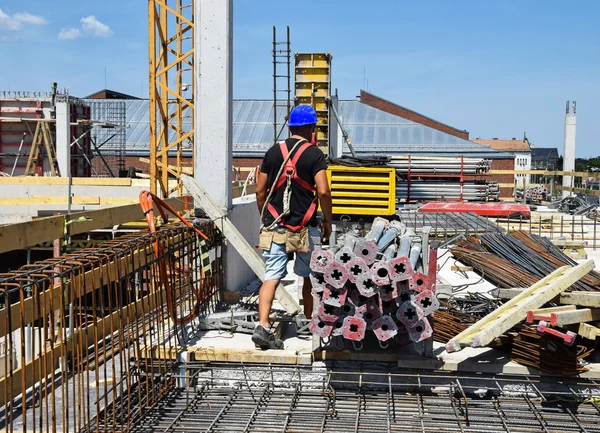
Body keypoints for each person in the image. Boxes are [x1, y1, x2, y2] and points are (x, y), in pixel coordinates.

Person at [252, 104, 333, 350]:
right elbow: (323, 191)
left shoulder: (273, 152)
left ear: (290, 127)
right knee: (308, 276)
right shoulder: (315, 154)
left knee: (272, 276)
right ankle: (309, 322)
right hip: (306, 228)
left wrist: (265, 217)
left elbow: (259, 190)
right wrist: (328, 220)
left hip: (276, 226)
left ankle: (263, 325)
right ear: (311, 128)